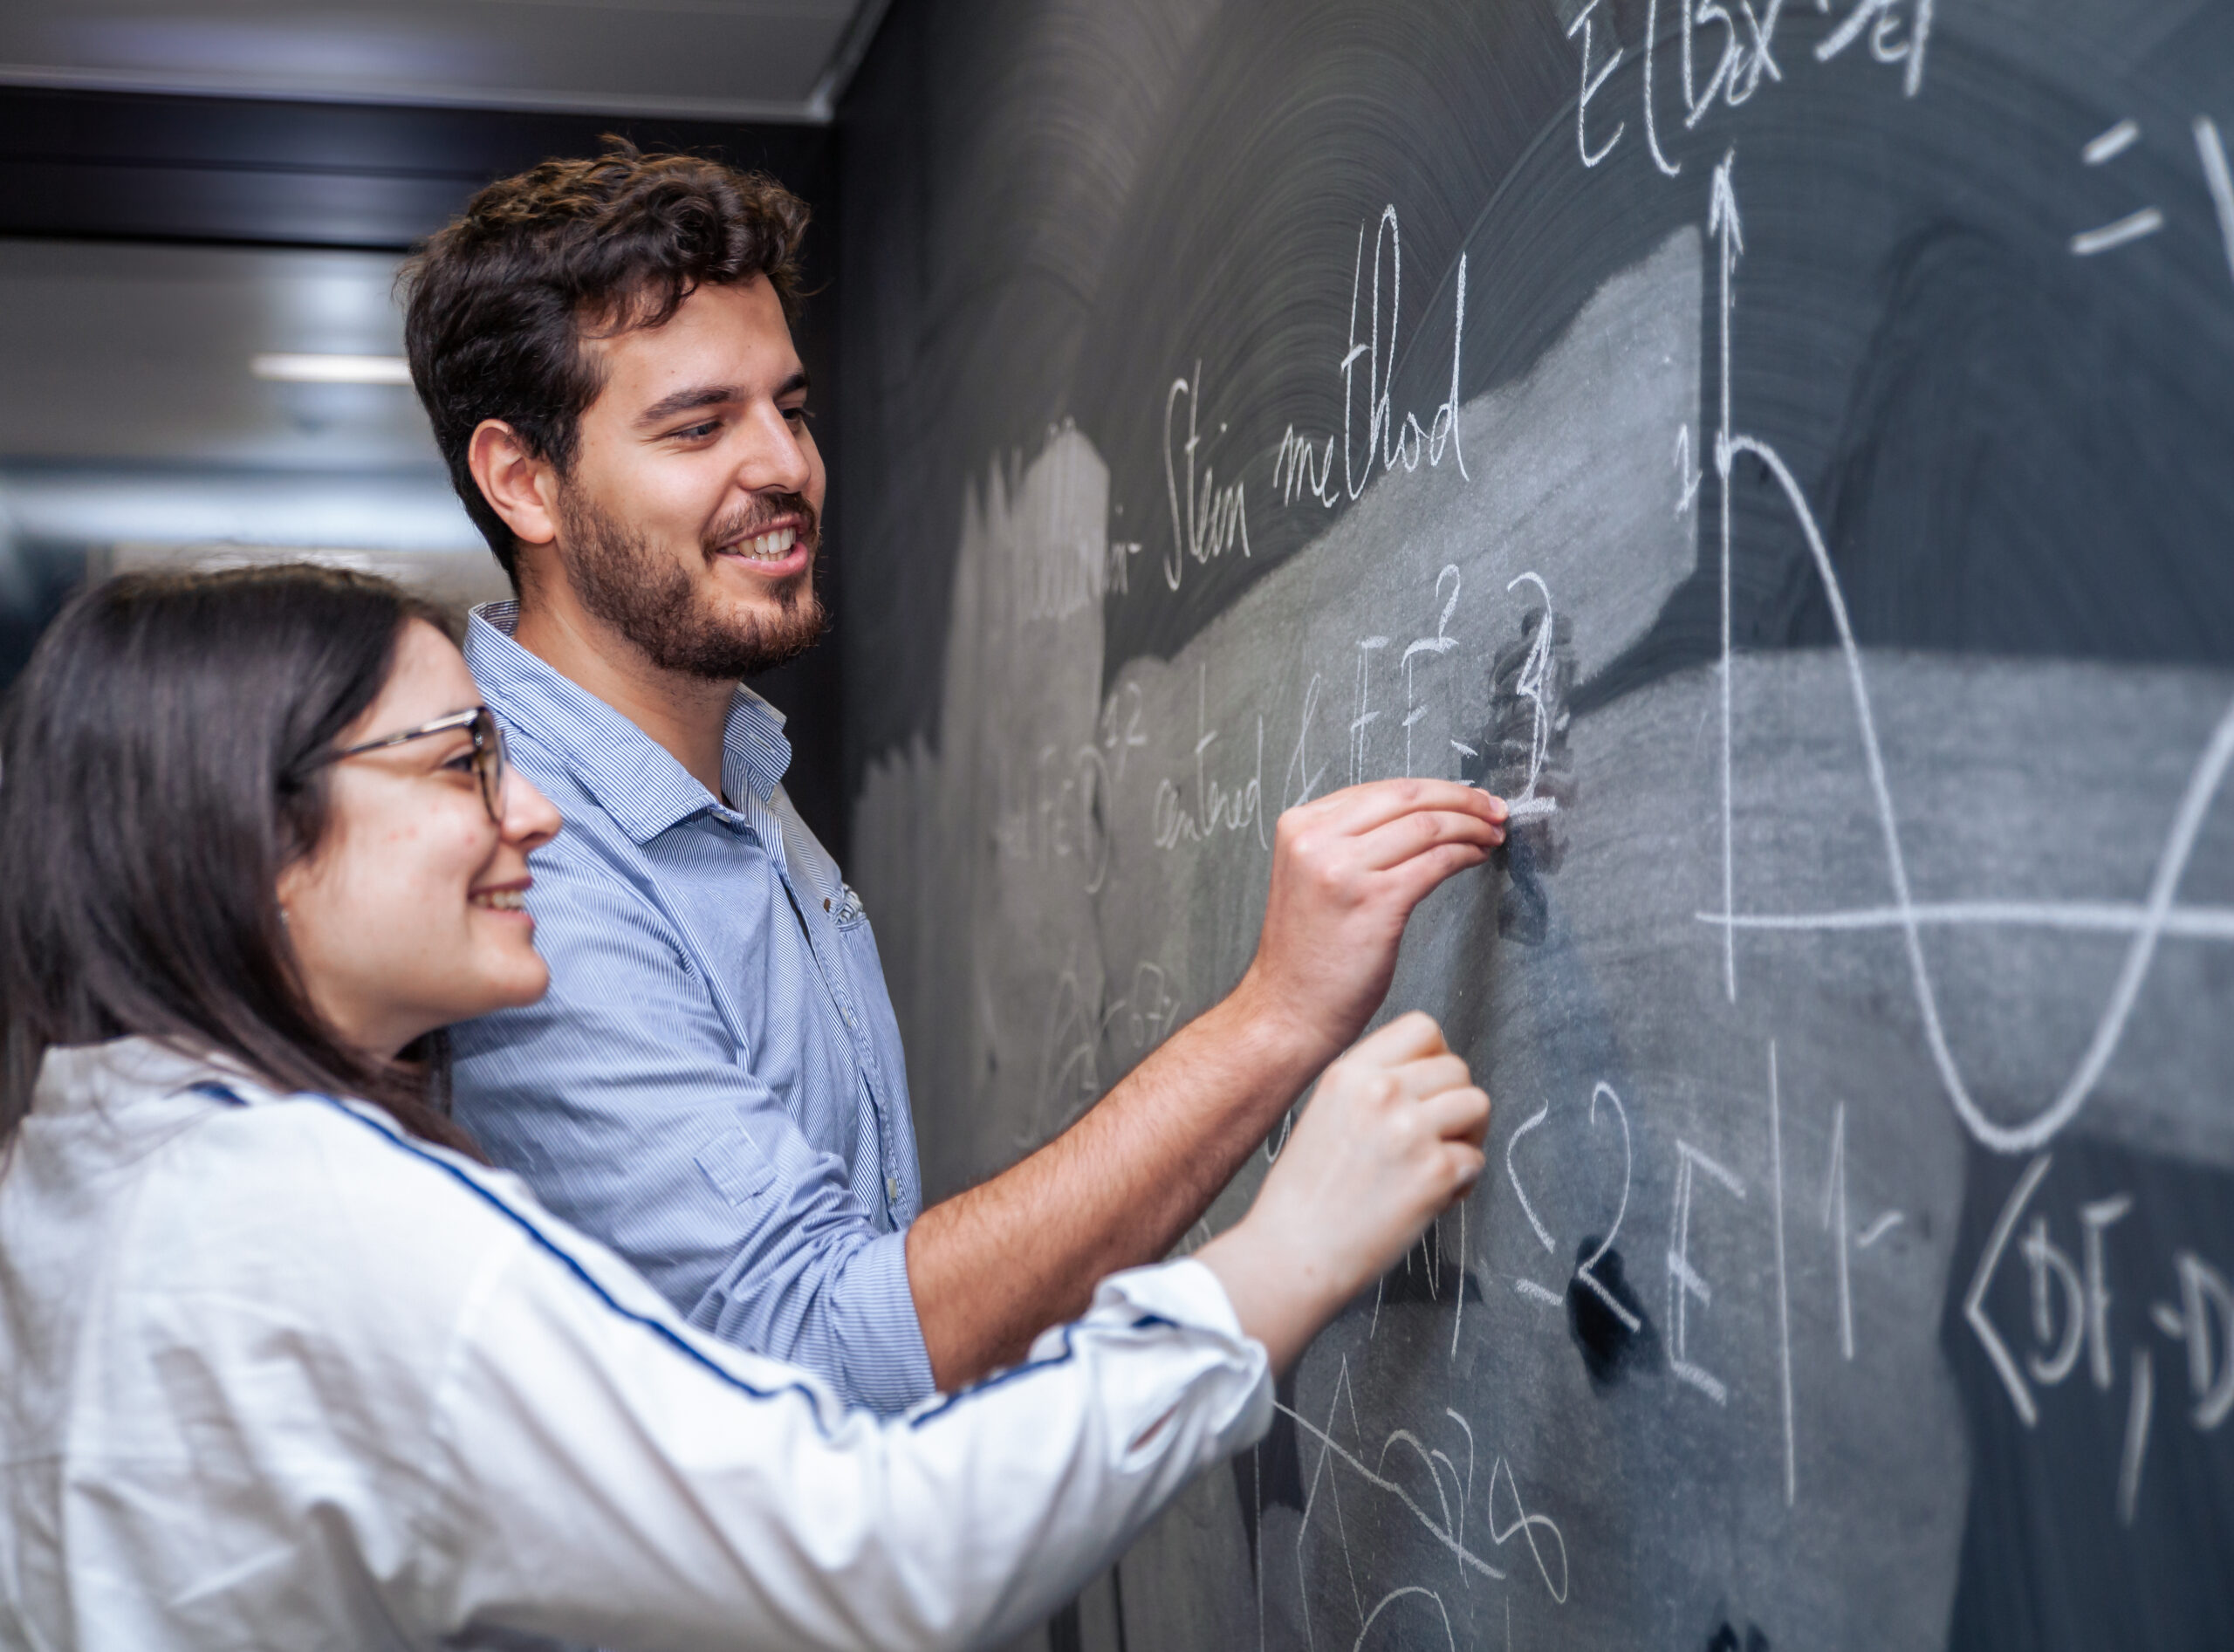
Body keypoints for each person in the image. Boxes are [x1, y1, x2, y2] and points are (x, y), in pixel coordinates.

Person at [0, 566, 1490, 1650]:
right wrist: (1274, 1262)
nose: (535, 813)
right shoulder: (317, 1216)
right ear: (258, 837)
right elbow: (875, 1547)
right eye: (462, 761)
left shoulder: (92, 1161)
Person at [402, 145, 1511, 1410]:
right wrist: (1274, 1020)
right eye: (699, 426)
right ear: (523, 481)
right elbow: (818, 1347)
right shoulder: (518, 867)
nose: (786, 467)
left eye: (790, 409)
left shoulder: (730, 765)